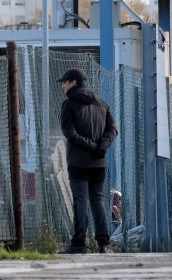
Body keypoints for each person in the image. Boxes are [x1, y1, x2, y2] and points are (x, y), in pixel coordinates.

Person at [58, 67, 119, 254]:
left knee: (81, 200)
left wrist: (91, 146)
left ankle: (79, 243)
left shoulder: (69, 104)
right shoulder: (101, 103)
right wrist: (102, 145)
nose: (63, 85)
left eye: (65, 82)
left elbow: (70, 133)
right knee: (98, 200)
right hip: (99, 161)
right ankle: (104, 243)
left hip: (78, 161)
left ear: (73, 82)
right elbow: (112, 130)